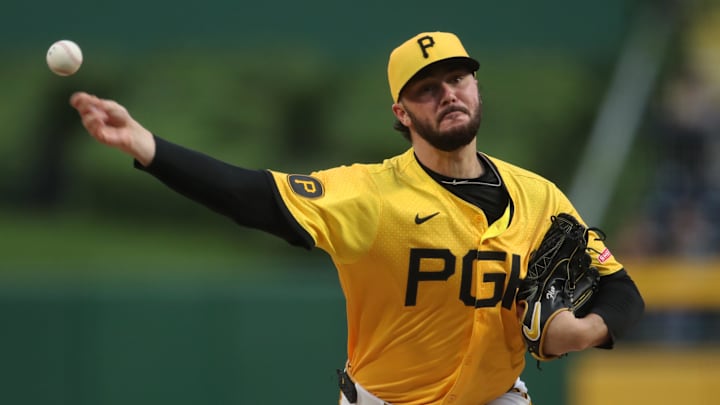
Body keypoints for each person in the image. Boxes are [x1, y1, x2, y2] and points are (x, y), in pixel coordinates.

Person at [71, 31, 645, 405]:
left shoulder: (539, 197)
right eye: (426, 89)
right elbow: (251, 197)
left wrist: (584, 331)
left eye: (457, 79)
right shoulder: (369, 195)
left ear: (475, 85)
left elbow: (621, 289)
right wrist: (147, 145)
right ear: (401, 112)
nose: (447, 94)